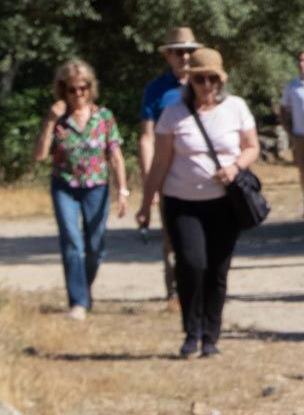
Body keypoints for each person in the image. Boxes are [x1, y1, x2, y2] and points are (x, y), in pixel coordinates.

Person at [136, 48, 258, 358]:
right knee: (191, 265)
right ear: (190, 81)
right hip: (183, 203)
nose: (206, 85)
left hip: (224, 204)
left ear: (221, 80)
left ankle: (211, 336)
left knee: (217, 270)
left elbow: (251, 147)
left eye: (212, 79)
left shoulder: (237, 108)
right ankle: (191, 332)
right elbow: (160, 163)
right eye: (200, 79)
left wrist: (235, 167)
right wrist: (146, 202)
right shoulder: (173, 114)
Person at [33, 61, 127, 320]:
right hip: (65, 187)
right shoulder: (58, 120)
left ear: (90, 88)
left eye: (83, 88)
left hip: (96, 187)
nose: (78, 94)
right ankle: (78, 302)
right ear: (63, 90)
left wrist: (123, 190)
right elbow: (40, 155)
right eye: (72, 89)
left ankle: (84, 288)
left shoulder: (104, 117)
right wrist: (51, 121)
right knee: (72, 242)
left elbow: (116, 156)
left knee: (95, 245)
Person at [139, 26, 199, 309]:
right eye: (178, 52)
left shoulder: (206, 84)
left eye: (189, 51)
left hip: (203, 173)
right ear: (168, 57)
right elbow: (147, 137)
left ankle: (201, 287)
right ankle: (175, 292)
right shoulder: (156, 90)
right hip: (168, 174)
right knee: (172, 236)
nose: (184, 57)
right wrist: (150, 181)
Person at [278, 49, 304, 218]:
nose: (302, 64)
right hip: (300, 133)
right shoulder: (292, 86)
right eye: (300, 61)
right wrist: (288, 130)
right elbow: (283, 109)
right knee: (303, 169)